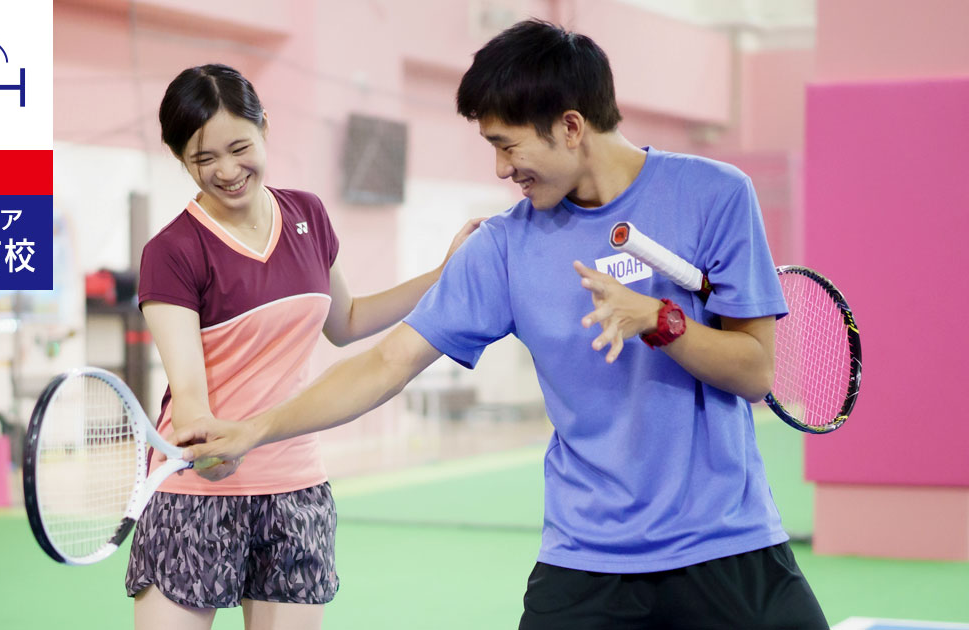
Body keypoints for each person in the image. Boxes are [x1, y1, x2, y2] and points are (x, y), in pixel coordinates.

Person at [172, 21, 829, 630]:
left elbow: (755, 372)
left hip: (726, 546)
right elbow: (385, 363)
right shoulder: (504, 246)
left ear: (570, 126)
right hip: (587, 560)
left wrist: (660, 321)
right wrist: (257, 428)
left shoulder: (716, 196)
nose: (499, 169)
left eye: (505, 145)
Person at [125, 63, 481, 630]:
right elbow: (188, 392)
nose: (226, 171)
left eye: (239, 147)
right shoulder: (172, 250)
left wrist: (444, 273)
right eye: (203, 159)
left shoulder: (307, 215)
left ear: (265, 125)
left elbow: (348, 320)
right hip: (197, 489)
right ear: (180, 160)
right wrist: (207, 441)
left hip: (295, 486)